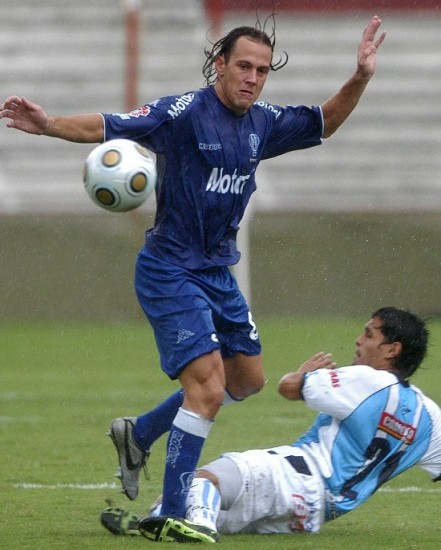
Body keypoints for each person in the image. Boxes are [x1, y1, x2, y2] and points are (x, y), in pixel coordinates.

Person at [0, 14, 387, 540]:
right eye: (244, 66)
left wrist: (361, 75)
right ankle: (173, 510)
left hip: (217, 273)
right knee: (206, 390)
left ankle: (140, 433)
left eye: (263, 71)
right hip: (169, 270)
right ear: (220, 66)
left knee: (245, 382)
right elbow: (109, 125)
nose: (253, 78)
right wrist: (48, 125)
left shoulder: (264, 123)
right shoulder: (181, 113)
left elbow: (325, 121)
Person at [100, 307, 441, 543]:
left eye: (369, 335)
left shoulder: (368, 379)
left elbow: (288, 388)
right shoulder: (429, 416)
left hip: (298, 473)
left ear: (392, 349)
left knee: (202, 481)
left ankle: (200, 526)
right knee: (180, 506)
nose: (358, 340)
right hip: (315, 514)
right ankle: (160, 520)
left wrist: (303, 373)